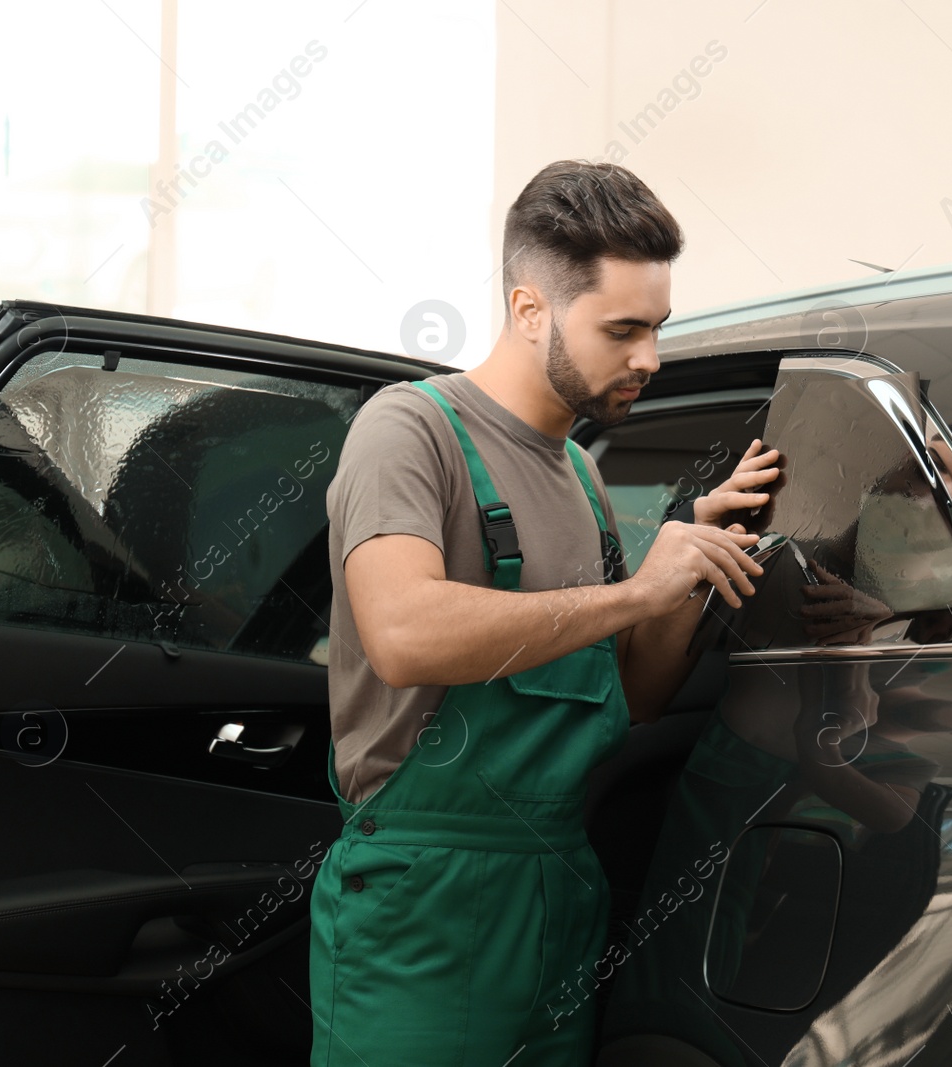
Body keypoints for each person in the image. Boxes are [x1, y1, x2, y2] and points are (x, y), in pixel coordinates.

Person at [308, 160, 781, 1066]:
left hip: (559, 887)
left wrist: (684, 566)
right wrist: (636, 589)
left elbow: (633, 696)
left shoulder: (584, 476)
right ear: (531, 310)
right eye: (623, 329)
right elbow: (403, 633)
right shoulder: (408, 431)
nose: (649, 357)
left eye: (658, 328)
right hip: (422, 902)